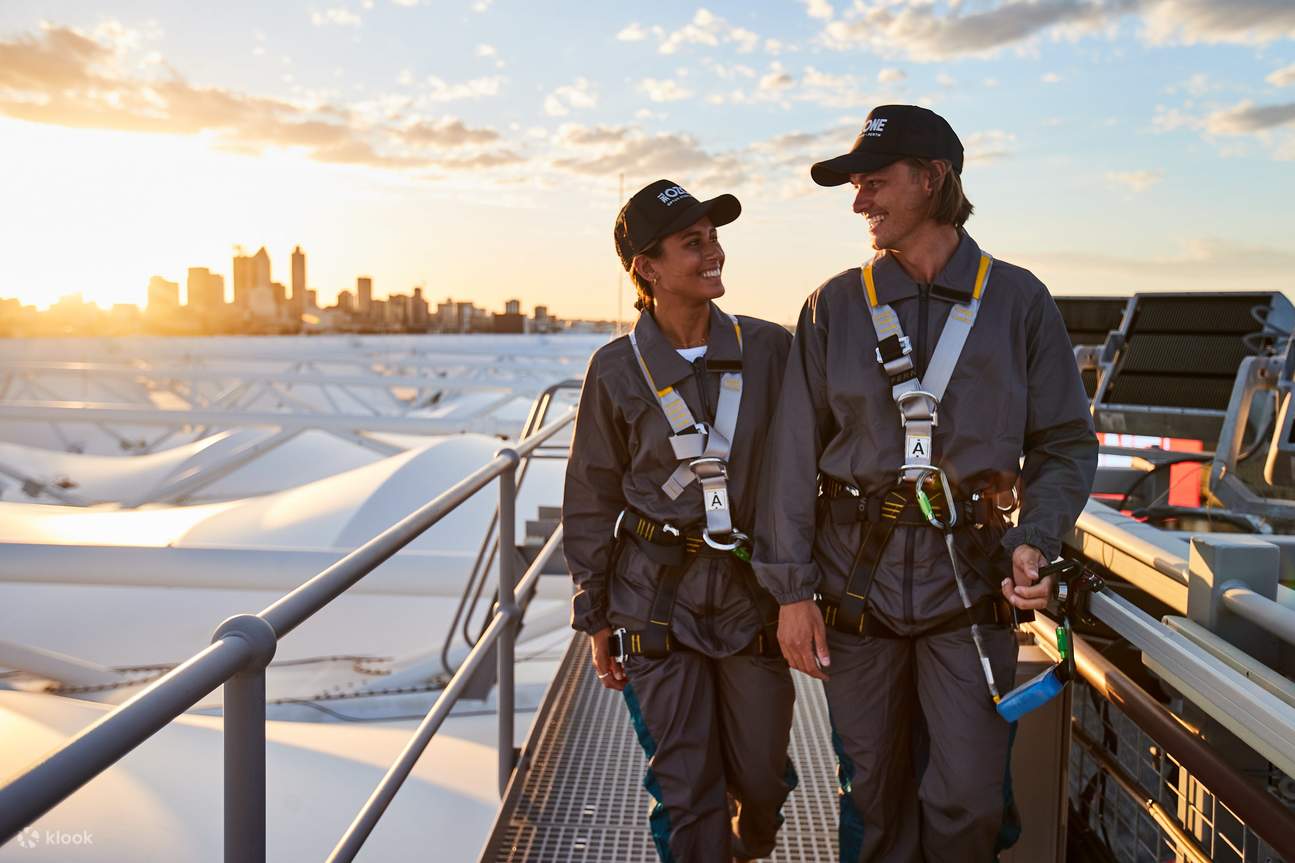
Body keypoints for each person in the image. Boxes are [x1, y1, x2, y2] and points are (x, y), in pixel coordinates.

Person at [753, 105, 1098, 862]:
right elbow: (789, 457)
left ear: (932, 179)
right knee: (872, 793)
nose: (858, 201)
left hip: (968, 587)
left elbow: (1065, 443)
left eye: (873, 182)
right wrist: (789, 590)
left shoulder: (1018, 301)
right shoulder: (832, 305)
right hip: (853, 587)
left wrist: (1034, 540)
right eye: (855, 186)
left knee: (968, 799)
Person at [563, 179, 798, 861]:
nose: (712, 252)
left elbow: (803, 470)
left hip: (749, 597)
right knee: (686, 790)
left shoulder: (769, 351)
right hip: (653, 600)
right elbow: (590, 494)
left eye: (714, 237)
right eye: (692, 243)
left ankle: (754, 828)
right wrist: (595, 614)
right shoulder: (613, 369)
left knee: (758, 776)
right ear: (647, 267)